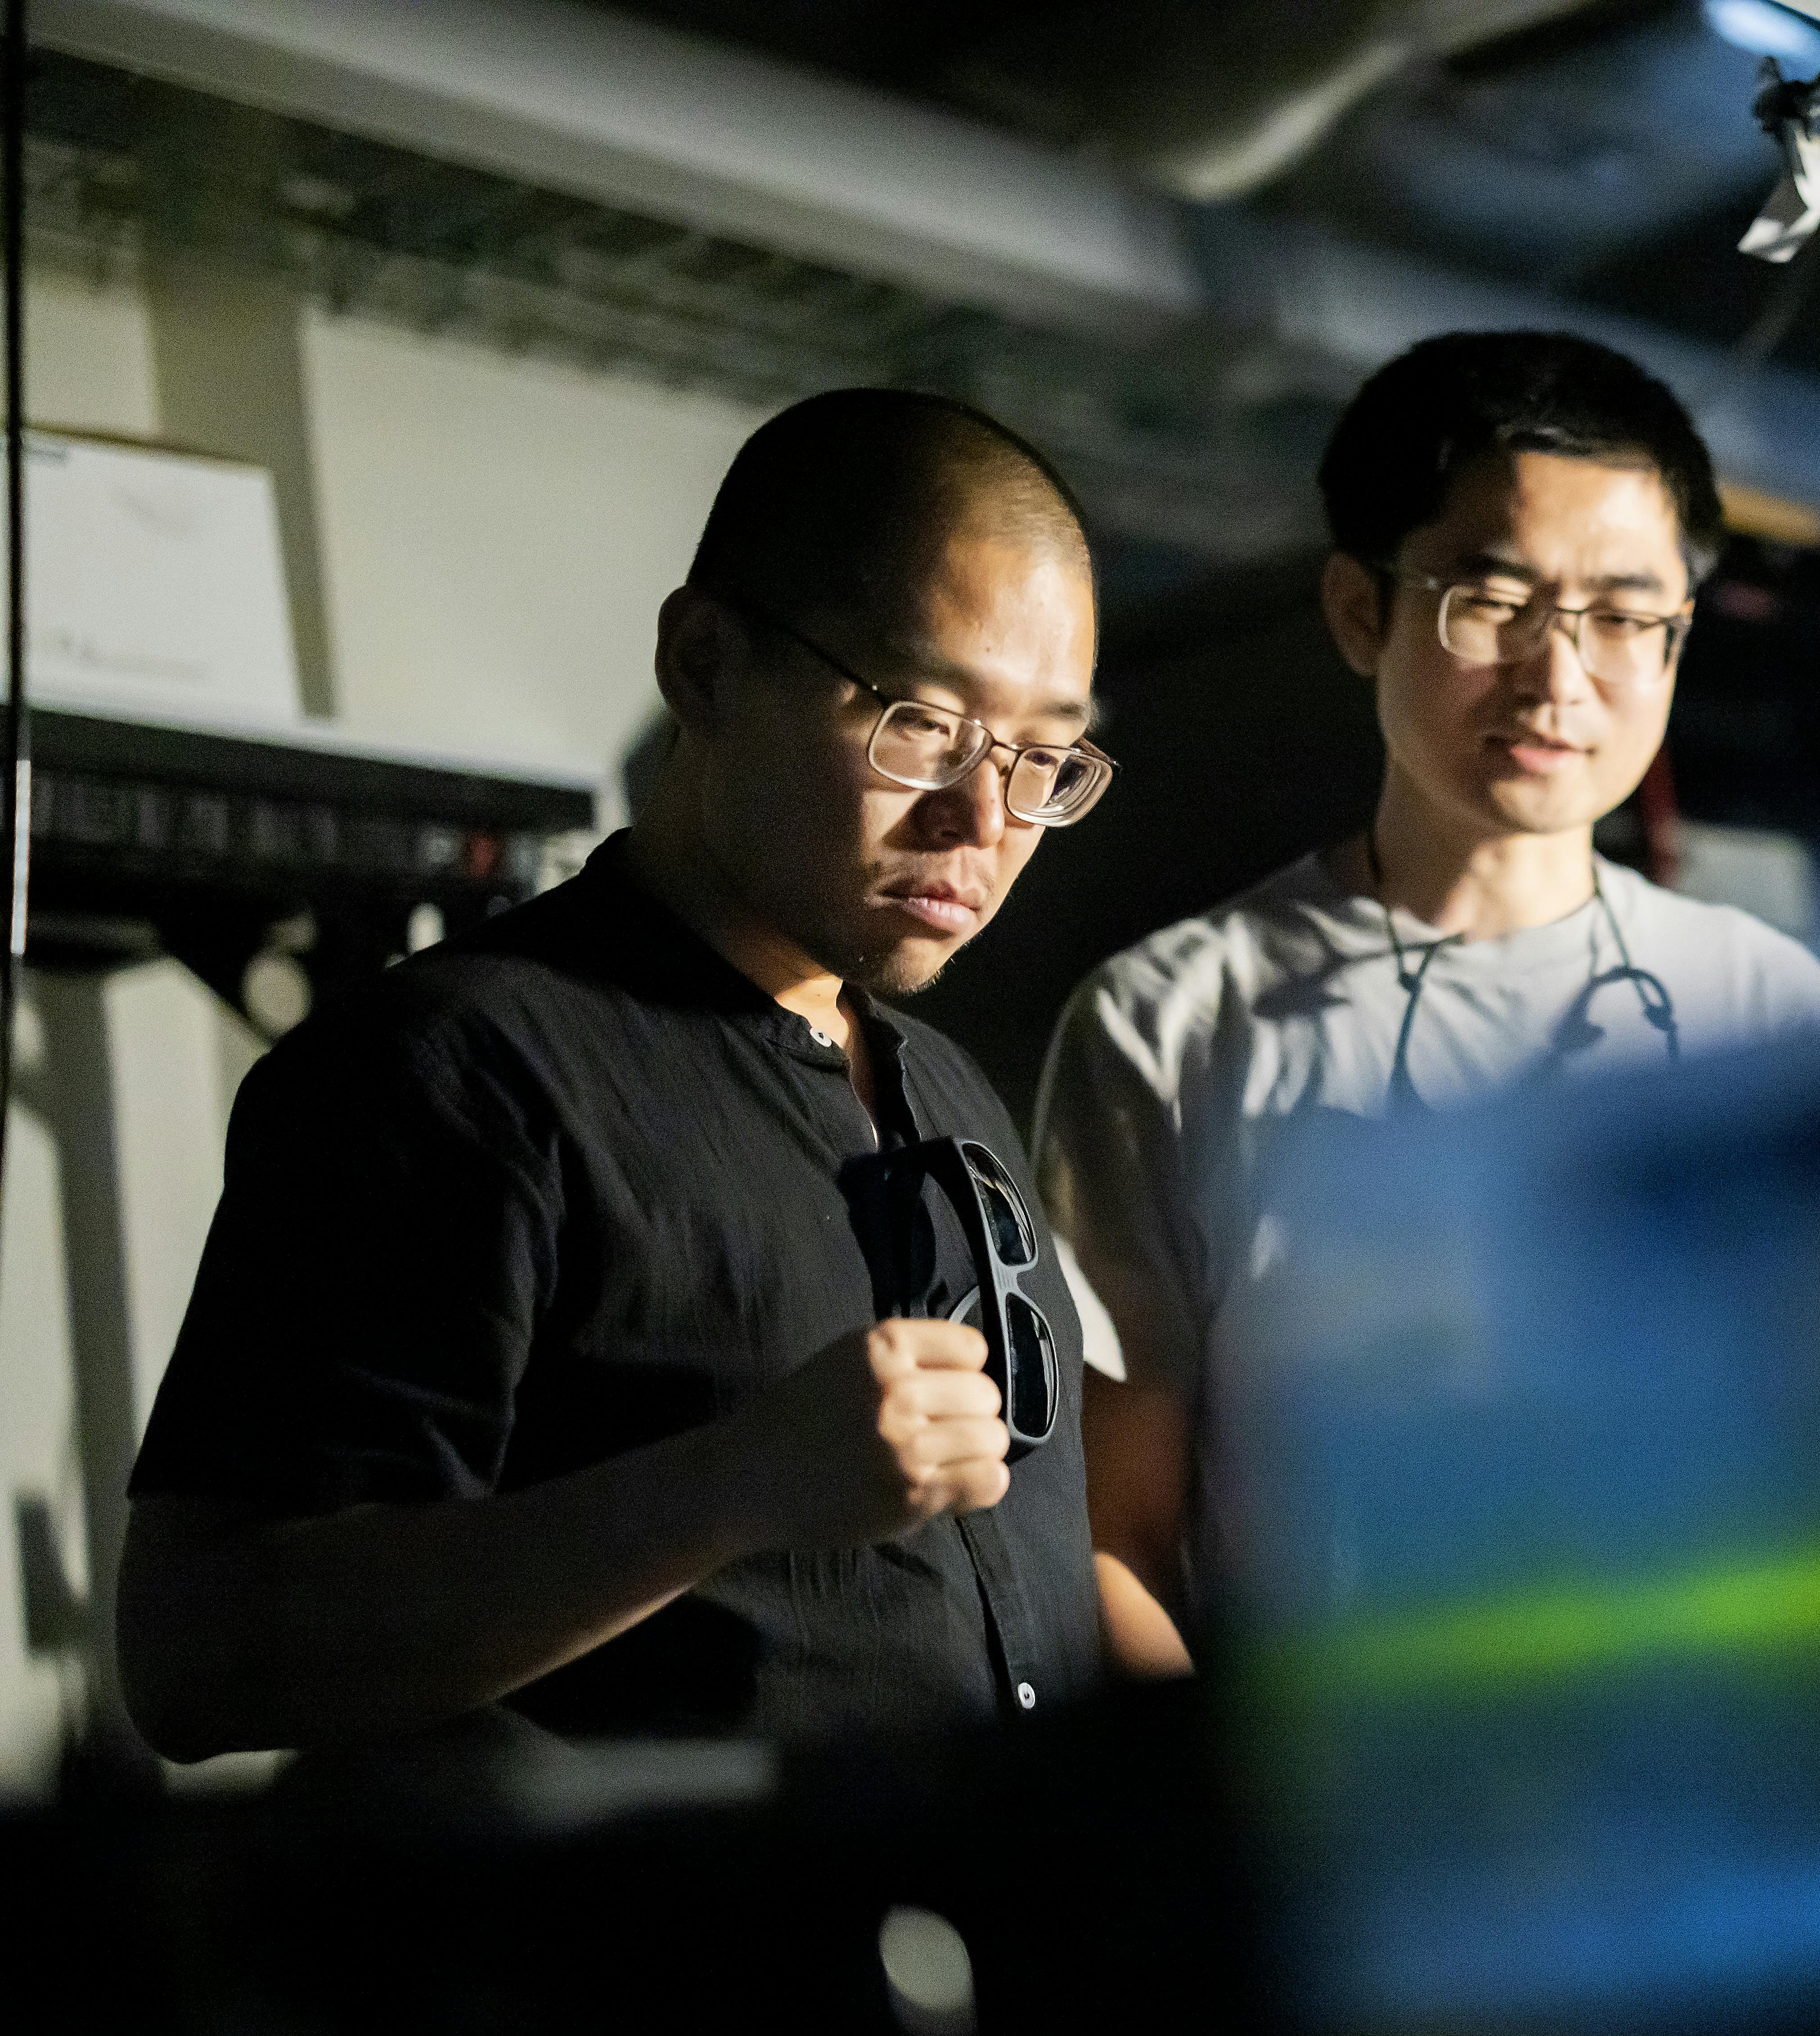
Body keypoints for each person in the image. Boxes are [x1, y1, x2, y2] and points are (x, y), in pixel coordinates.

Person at [118, 388, 1119, 1756]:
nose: (982, 820)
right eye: (923, 724)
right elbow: (203, 1652)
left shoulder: (946, 1088)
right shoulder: (456, 1070)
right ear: (704, 665)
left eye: (1044, 758)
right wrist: (732, 1488)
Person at [1037, 329, 1820, 1667]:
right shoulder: (1173, 1024)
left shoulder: (1765, 1008)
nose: (1559, 675)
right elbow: (1107, 1531)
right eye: (1495, 601)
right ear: (1362, 612)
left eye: (1625, 617)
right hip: (1352, 1807)